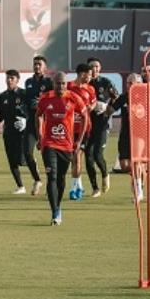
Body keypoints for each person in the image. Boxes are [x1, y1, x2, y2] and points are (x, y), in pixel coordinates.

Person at [35, 71, 87, 225]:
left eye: (63, 83)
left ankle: (58, 205)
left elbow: (85, 116)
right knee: (51, 176)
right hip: (49, 143)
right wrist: (40, 135)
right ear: (53, 83)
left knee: (61, 179)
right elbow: (38, 115)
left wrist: (79, 140)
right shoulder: (46, 98)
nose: (61, 86)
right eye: (58, 83)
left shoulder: (73, 98)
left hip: (67, 145)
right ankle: (55, 212)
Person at [107, 73, 150, 202]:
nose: (129, 85)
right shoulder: (124, 97)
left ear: (140, 84)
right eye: (128, 82)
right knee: (125, 165)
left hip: (146, 133)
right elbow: (110, 110)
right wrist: (111, 100)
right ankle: (139, 181)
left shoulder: (148, 96)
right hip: (126, 134)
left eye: (132, 82)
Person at [0, 69, 38, 194]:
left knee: (24, 159)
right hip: (8, 132)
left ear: (17, 80)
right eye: (7, 78)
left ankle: (37, 179)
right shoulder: (3, 96)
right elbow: (1, 116)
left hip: (22, 131)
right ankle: (20, 186)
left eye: (12, 78)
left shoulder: (24, 94)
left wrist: (25, 120)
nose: (9, 80)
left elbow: (31, 111)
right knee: (11, 160)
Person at [86, 58, 118, 197]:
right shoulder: (84, 84)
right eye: (91, 67)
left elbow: (116, 97)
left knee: (98, 156)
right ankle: (95, 188)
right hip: (87, 126)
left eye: (97, 66)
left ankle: (105, 174)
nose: (94, 69)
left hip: (102, 125)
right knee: (88, 157)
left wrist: (107, 107)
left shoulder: (106, 83)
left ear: (100, 68)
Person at [22, 55, 53, 195]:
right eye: (35, 64)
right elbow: (25, 101)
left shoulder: (50, 82)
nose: (37, 66)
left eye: (39, 64)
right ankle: (37, 179)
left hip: (46, 121)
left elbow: (55, 99)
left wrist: (42, 103)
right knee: (27, 152)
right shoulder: (28, 82)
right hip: (31, 122)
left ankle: (51, 182)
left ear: (45, 67)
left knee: (47, 153)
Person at [67, 63, 96, 201]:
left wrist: (91, 107)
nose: (91, 77)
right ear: (82, 74)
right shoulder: (67, 87)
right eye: (89, 74)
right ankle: (79, 185)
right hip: (69, 128)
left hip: (84, 128)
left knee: (77, 157)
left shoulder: (90, 89)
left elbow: (94, 103)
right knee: (73, 159)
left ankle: (73, 189)